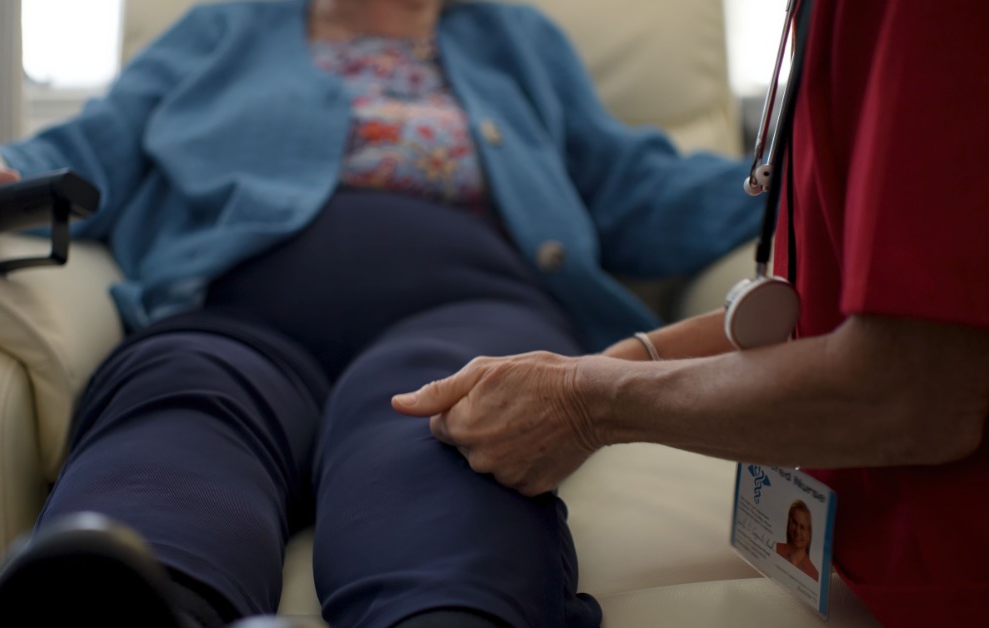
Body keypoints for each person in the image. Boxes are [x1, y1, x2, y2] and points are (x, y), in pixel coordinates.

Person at [0, 0, 760, 626]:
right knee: (180, 406)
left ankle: (447, 611)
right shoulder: (225, 25)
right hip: (233, 311)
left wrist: (798, 181)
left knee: (447, 431)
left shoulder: (515, 37)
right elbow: (89, 149)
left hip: (467, 308)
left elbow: (636, 187)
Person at [392, 2, 989, 627]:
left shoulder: (923, 22)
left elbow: (915, 391)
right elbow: (823, 303)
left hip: (948, 575)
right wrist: (618, 365)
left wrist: (587, 403)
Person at [774, 501, 818, 582]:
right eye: (794, 523)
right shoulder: (775, 549)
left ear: (809, 534)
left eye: (802, 527)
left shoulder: (813, 574)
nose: (797, 531)